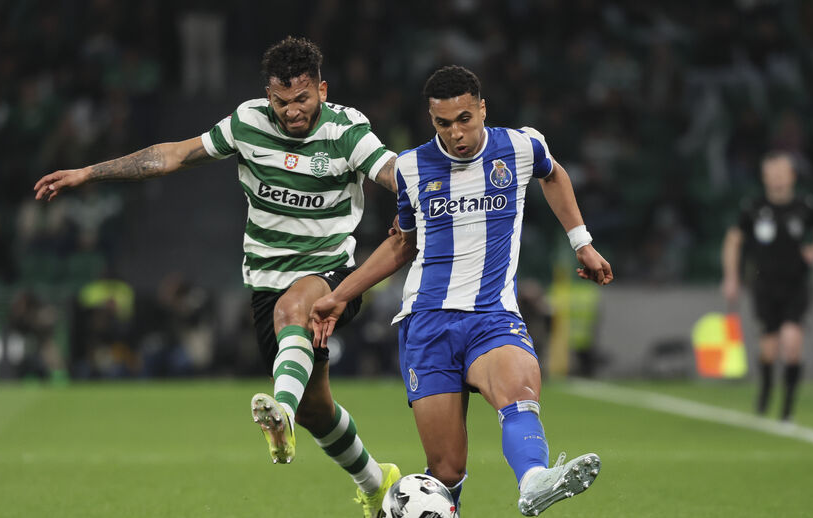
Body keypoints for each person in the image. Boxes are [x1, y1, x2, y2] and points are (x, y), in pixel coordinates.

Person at [34, 36, 402, 516]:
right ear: (268, 96)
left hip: (330, 272)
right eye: (281, 101)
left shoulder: (348, 130)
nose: (292, 111)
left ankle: (281, 416)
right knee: (318, 408)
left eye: (303, 99)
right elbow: (174, 155)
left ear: (323, 91)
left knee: (298, 310)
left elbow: (392, 170)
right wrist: (88, 172)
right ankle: (376, 482)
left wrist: (417, 196)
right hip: (266, 282)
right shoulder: (247, 123)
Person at [311, 65, 613, 516]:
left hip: (493, 314)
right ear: (431, 120)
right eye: (443, 124)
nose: (456, 134)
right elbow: (402, 243)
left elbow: (554, 175)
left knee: (519, 392)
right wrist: (340, 294)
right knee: (447, 471)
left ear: (482, 109)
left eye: (464, 119)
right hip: (427, 322)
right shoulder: (411, 168)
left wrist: (582, 242)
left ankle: (534, 480)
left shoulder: (520, 146)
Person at [721, 151, 813, 422]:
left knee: (792, 344)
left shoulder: (805, 206)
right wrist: (731, 277)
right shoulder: (753, 207)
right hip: (764, 286)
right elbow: (733, 241)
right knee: (768, 350)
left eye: (782, 173)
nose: (777, 179)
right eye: (772, 174)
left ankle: (787, 409)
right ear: (764, 177)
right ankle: (766, 390)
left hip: (795, 285)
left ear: (792, 176)